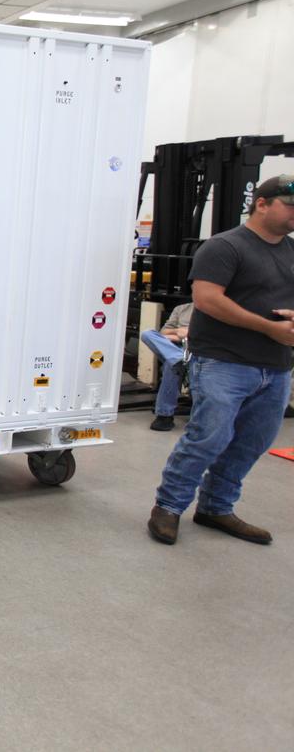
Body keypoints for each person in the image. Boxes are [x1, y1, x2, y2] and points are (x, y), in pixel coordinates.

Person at [148, 174, 294, 546]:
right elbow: (208, 300)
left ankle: (216, 507)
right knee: (207, 438)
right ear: (262, 204)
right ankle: (168, 507)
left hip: (276, 366)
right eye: (290, 206)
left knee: (251, 443)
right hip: (224, 362)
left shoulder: (291, 250)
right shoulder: (225, 247)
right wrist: (269, 328)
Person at [140, 302, 193, 431]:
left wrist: (188, 334)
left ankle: (164, 416)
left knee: (172, 365)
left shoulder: (212, 309)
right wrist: (178, 332)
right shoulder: (181, 308)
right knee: (147, 334)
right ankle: (178, 358)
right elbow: (163, 333)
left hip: (197, 349)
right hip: (176, 347)